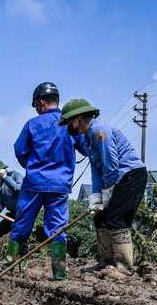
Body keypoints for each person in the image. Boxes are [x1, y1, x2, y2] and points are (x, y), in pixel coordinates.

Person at [6, 82, 86, 280]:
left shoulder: (33, 124)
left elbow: (20, 151)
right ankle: (59, 274)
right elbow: (85, 147)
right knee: (58, 228)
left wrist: (33, 166)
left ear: (41, 102)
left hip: (35, 182)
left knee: (22, 225)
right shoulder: (69, 123)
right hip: (60, 184)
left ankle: (6, 266)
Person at [59, 98, 147, 276]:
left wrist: (108, 190)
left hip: (130, 175)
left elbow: (110, 163)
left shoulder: (100, 131)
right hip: (117, 178)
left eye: (69, 121)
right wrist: (96, 196)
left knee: (116, 218)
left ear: (78, 118)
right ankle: (105, 262)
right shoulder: (88, 139)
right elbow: (95, 168)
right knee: (100, 218)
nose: (69, 126)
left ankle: (125, 268)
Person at [0, 160, 29, 271]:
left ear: (1, 171)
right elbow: (2, 203)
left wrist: (6, 178)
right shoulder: (1, 184)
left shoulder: (17, 176)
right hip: (11, 214)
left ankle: (23, 269)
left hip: (22, 214)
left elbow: (18, 189)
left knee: (22, 241)